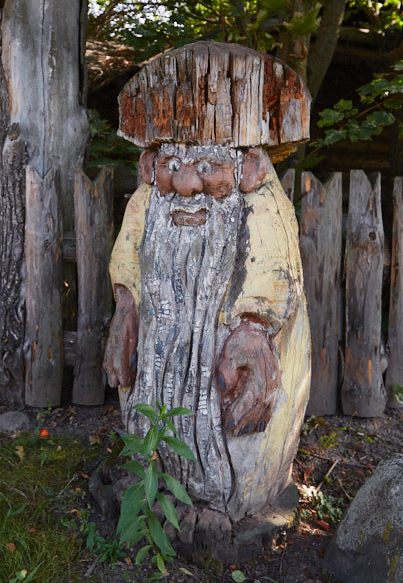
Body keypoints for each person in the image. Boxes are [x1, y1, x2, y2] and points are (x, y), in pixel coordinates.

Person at [104, 41, 311, 523]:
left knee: (232, 429)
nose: (186, 186)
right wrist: (127, 305)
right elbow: (129, 249)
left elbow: (275, 265)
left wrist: (254, 327)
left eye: (207, 166)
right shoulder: (147, 202)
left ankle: (230, 499)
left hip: (218, 383)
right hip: (162, 361)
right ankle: (147, 470)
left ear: (249, 168)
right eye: (172, 165)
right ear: (150, 166)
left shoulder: (263, 204)